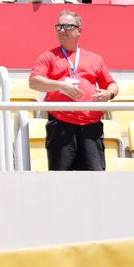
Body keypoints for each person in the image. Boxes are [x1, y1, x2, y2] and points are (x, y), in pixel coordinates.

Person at [28, 9, 118, 171]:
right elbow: (34, 82)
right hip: (61, 124)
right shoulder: (48, 56)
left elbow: (112, 85)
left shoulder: (94, 58)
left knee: (94, 179)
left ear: (79, 30)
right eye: (59, 26)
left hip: (91, 125)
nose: (62, 30)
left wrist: (108, 93)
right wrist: (60, 85)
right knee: (61, 179)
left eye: (67, 26)